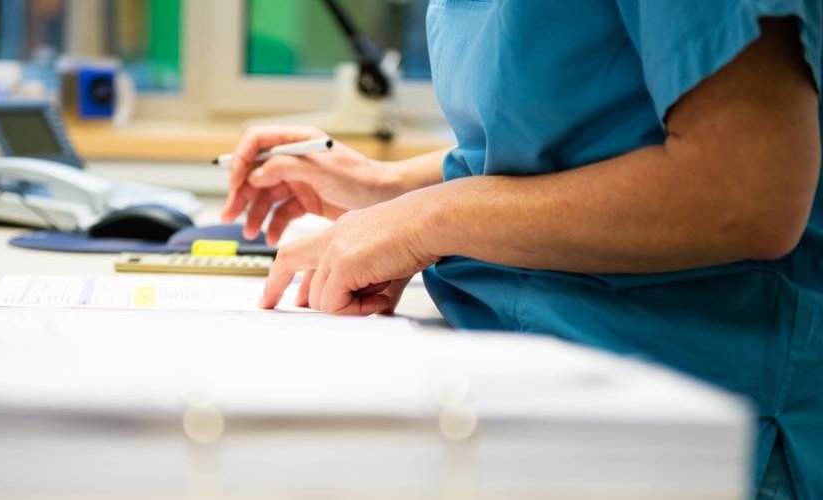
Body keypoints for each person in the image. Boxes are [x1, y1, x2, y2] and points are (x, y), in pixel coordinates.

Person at [223, 1, 821, 497]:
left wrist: (423, 222)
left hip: (684, 418)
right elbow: (560, 145)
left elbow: (746, 192)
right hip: (514, 380)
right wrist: (384, 187)